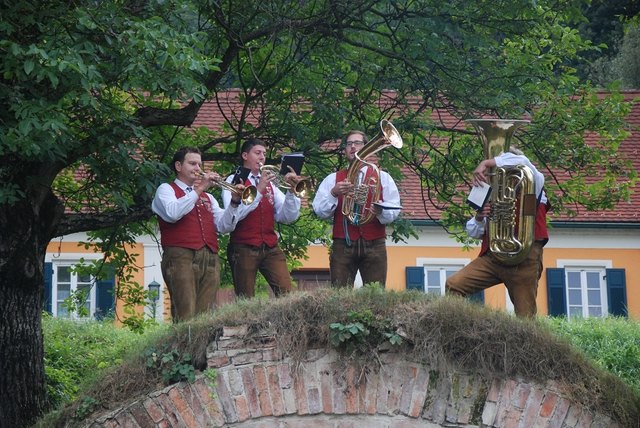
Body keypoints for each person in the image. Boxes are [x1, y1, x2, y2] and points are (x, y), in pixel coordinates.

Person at [445, 147, 551, 317]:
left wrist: (486, 162)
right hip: (494, 258)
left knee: (525, 317)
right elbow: (473, 232)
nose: (499, 173)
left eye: (502, 168)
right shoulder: (491, 190)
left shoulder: (535, 181)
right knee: (454, 285)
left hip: (525, 259)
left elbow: (522, 161)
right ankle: (462, 327)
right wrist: (479, 217)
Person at [152, 147, 246, 322]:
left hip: (209, 257)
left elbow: (224, 226)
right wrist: (201, 187)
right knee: (185, 314)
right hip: (181, 256)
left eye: (199, 164)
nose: (197, 168)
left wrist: (234, 202)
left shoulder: (208, 197)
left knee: (204, 319)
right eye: (192, 163)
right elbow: (173, 213)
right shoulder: (165, 189)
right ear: (178, 166)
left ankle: (200, 350)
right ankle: (181, 349)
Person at [312, 129, 402, 288]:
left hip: (374, 244)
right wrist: (334, 193)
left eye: (358, 143)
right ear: (345, 150)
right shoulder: (333, 179)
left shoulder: (382, 177)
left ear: (368, 147)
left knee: (375, 295)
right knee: (339, 295)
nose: (353, 147)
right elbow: (319, 211)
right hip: (343, 244)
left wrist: (381, 212)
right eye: (349, 144)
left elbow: (394, 209)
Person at [221, 138, 302, 298]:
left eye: (264, 154)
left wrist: (292, 192)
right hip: (243, 247)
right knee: (246, 299)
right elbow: (235, 215)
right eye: (257, 153)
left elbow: (287, 217)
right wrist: (258, 190)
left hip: (270, 246)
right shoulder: (234, 180)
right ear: (245, 155)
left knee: (288, 295)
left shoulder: (270, 183)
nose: (262, 157)